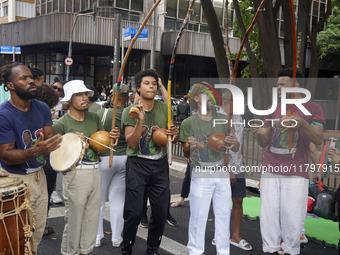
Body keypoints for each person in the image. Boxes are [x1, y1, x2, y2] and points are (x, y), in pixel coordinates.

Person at [252, 68, 325, 255]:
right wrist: (260, 134)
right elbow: (264, 143)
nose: (278, 88)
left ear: (296, 85)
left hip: (296, 171)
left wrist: (302, 123)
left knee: (292, 218)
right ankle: (272, 251)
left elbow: (317, 139)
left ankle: (291, 250)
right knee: (269, 216)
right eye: (277, 85)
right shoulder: (271, 108)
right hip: (270, 169)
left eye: (282, 85)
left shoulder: (313, 108)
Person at [0, 63, 62, 252]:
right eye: (24, 78)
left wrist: (58, 144)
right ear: (10, 85)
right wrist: (36, 150)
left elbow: (48, 136)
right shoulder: (4, 114)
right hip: (15, 179)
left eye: (31, 77)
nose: (31, 81)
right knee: (17, 235)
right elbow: (6, 155)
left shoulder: (42, 107)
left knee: (37, 230)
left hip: (39, 175)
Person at [52, 80, 119, 255]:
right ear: (69, 100)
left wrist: (111, 137)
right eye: (79, 95)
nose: (85, 98)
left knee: (91, 218)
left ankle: (85, 251)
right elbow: (55, 155)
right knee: (74, 219)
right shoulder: (61, 124)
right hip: (75, 173)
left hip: (96, 170)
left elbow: (101, 145)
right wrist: (71, 140)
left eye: (86, 94)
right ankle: (69, 252)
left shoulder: (94, 118)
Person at [121, 69, 179, 255]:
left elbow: (172, 139)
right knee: (134, 212)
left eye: (154, 83)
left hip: (159, 165)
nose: (151, 86)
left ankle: (152, 249)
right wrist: (140, 121)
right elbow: (131, 142)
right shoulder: (128, 111)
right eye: (146, 83)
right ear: (138, 88)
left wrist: (175, 135)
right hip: (137, 164)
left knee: (161, 212)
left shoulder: (164, 108)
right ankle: (127, 248)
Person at [180, 82, 240, 255]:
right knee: (198, 218)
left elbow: (234, 148)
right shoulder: (189, 122)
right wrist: (191, 145)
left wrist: (234, 143)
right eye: (207, 94)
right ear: (197, 98)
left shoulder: (224, 119)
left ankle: (223, 251)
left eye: (213, 95)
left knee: (223, 216)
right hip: (201, 174)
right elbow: (185, 152)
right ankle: (195, 252)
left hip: (221, 174)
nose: (212, 98)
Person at [211, 90, 252, 250]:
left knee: (238, 200)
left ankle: (235, 236)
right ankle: (219, 234)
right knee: (221, 203)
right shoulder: (217, 117)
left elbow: (238, 144)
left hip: (238, 165)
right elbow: (215, 146)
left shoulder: (238, 117)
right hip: (222, 167)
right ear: (226, 100)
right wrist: (228, 170)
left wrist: (242, 164)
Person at [94, 83, 129, 248]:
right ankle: (116, 238)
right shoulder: (130, 114)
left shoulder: (101, 112)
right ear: (127, 97)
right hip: (125, 158)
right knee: (118, 199)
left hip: (104, 158)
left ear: (114, 97)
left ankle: (97, 236)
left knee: (98, 200)